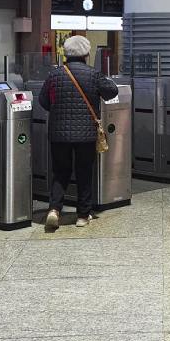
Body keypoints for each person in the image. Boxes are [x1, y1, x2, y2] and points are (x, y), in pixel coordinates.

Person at [40, 35, 118, 231]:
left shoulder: (54, 74)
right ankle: (83, 215)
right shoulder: (93, 74)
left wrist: (58, 110)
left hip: (59, 134)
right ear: (86, 54)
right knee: (84, 172)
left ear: (65, 53)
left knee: (60, 172)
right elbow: (112, 91)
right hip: (85, 134)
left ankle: (54, 210)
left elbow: (43, 101)